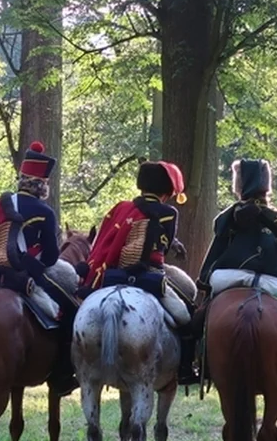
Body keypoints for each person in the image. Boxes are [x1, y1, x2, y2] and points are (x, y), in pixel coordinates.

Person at [0, 141, 79, 394]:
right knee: (69, 309)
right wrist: (33, 262)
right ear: (42, 184)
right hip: (22, 278)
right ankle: (62, 374)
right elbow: (50, 258)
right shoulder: (44, 212)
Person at [197, 158, 277, 399]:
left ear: (238, 185)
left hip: (229, 277)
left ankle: (200, 364)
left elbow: (215, 253)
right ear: (266, 185)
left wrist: (204, 280)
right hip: (273, 280)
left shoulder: (226, 217)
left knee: (199, 317)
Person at [81, 160, 196, 377]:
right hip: (149, 275)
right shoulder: (168, 213)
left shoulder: (122, 208)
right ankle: (186, 368)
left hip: (114, 273)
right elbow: (165, 242)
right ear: (167, 190)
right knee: (184, 316)